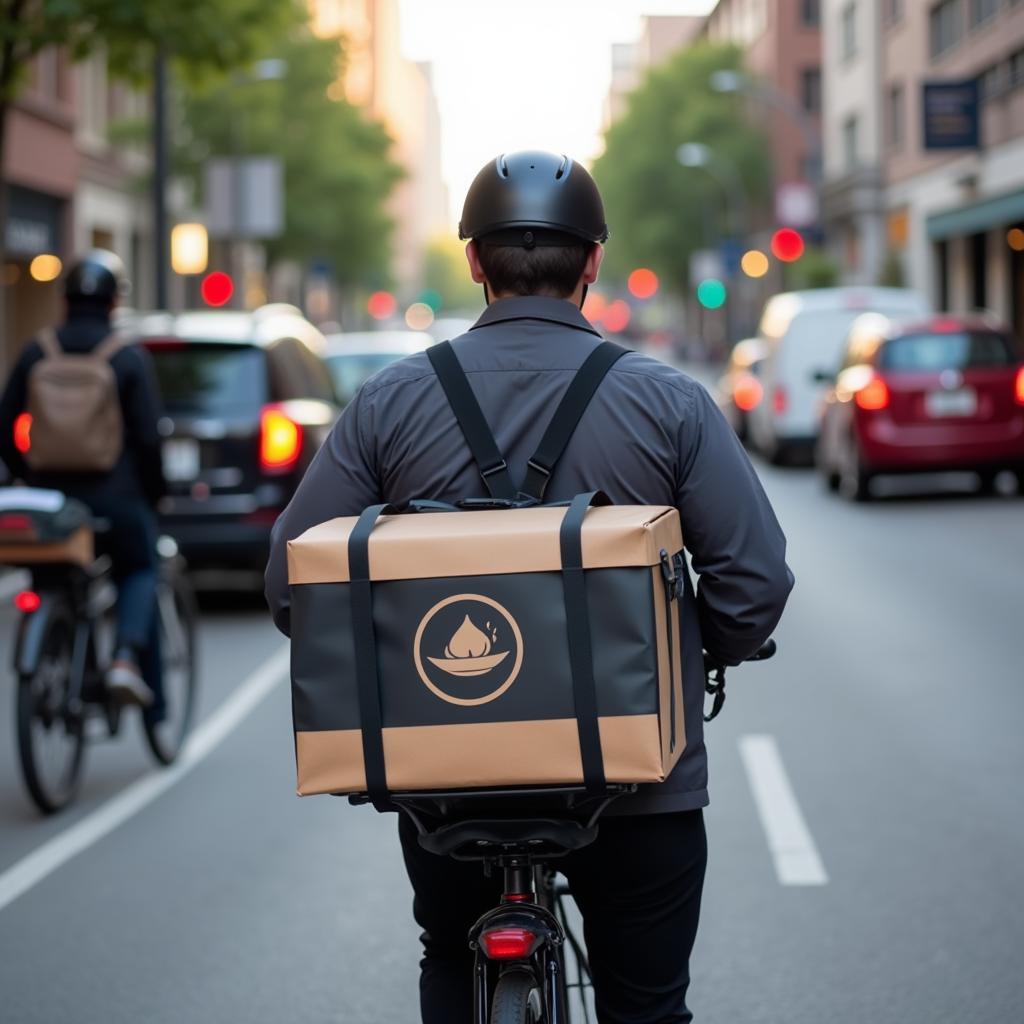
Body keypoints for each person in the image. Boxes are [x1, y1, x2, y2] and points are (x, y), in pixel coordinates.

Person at [265, 151, 794, 1023]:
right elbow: (754, 580)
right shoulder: (669, 402)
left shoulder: (390, 401)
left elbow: (293, 580)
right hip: (637, 777)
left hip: (444, 779)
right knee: (648, 1003)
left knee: (450, 951)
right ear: (593, 261)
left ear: (474, 261)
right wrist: (710, 646)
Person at [0, 249, 167, 711]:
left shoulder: (38, 350)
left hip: (49, 501)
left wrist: (24, 473)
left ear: (65, 299)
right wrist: (155, 496)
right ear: (114, 302)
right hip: (115, 498)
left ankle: (52, 651)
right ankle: (125, 659)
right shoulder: (127, 357)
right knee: (140, 567)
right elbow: (149, 441)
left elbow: (3, 425)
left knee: (52, 575)